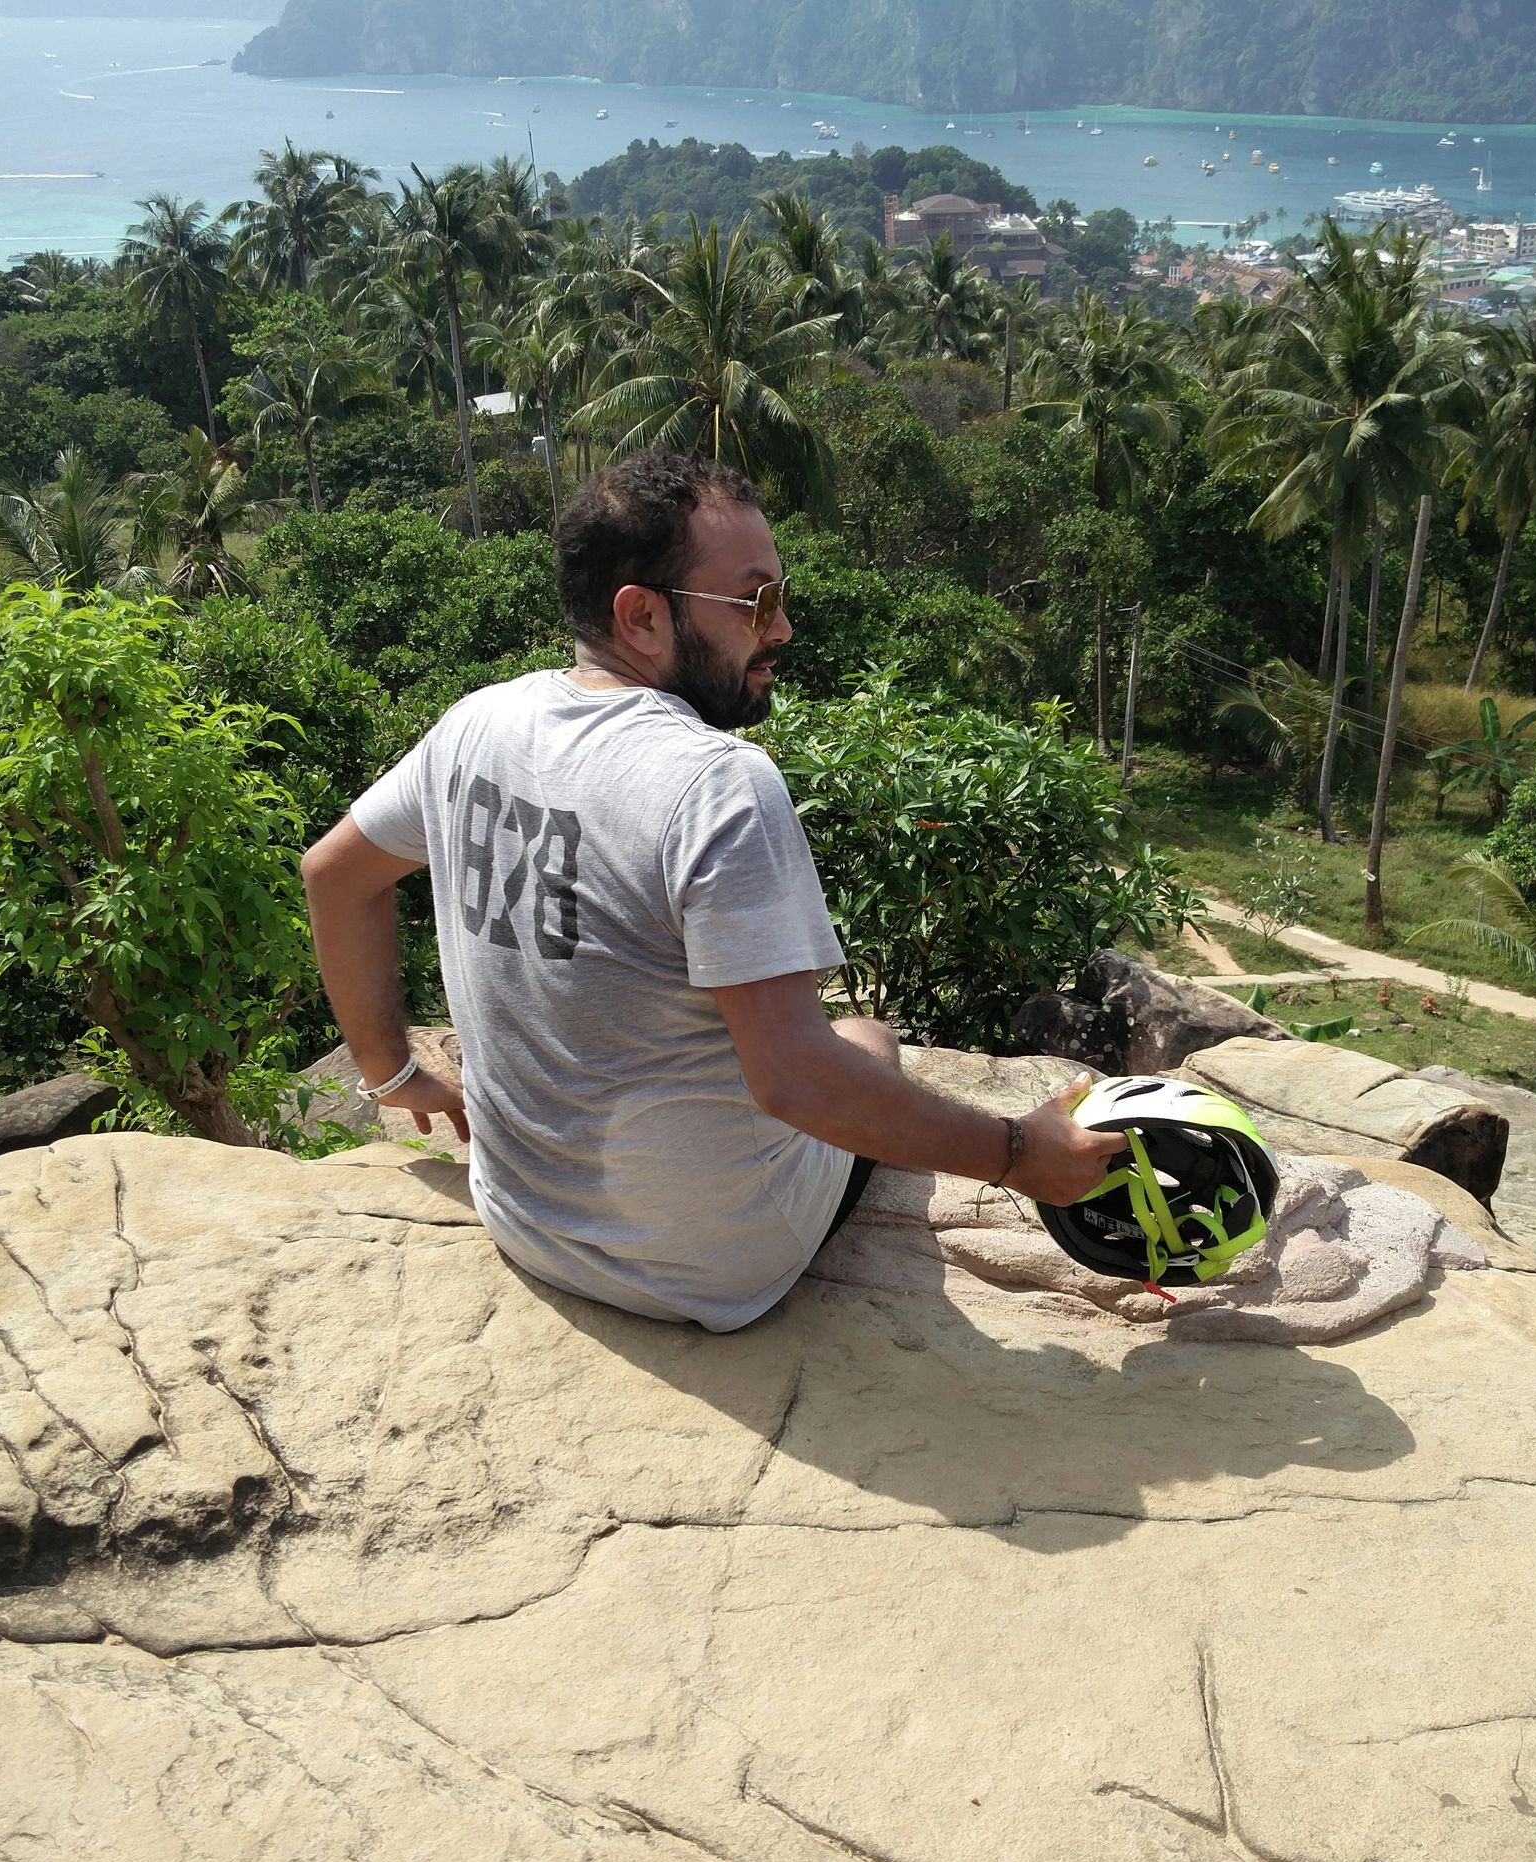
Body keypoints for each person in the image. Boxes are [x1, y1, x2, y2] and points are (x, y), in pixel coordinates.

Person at [300, 450, 1124, 1332]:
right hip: (712, 1268)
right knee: (868, 1037)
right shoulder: (717, 783)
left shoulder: (477, 723)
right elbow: (799, 1083)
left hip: (525, 1224)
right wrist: (1022, 1153)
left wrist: (390, 1076)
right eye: (756, 601)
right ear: (643, 616)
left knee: (842, 1038)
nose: (782, 630)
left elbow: (332, 876)